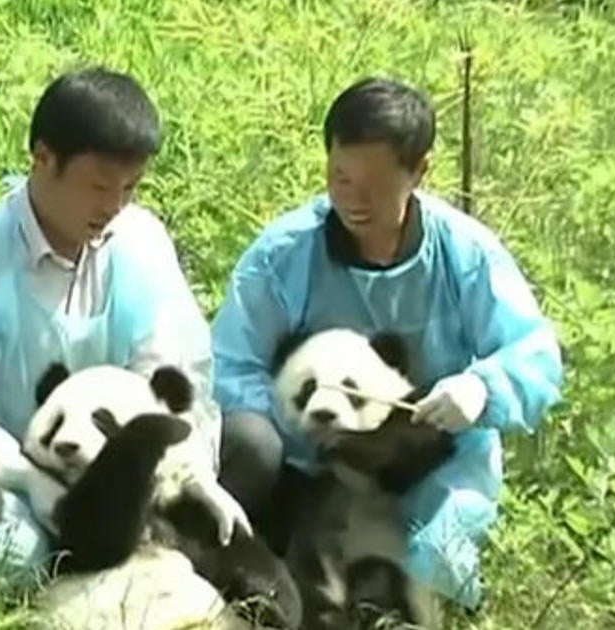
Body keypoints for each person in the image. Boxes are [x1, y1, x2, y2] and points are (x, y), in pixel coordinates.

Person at [211, 76, 564, 610]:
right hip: (312, 463)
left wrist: (482, 388)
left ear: (420, 170)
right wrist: (304, 420)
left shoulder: (464, 254)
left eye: (372, 184)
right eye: (340, 177)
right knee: (301, 568)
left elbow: (535, 353)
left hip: (429, 456)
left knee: (425, 574)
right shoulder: (284, 255)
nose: (352, 199)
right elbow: (230, 366)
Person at [0, 66, 250, 570]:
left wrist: (189, 472)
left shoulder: (139, 241)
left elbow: (173, 372)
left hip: (120, 470)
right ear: (43, 159)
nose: (113, 206)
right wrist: (34, 481)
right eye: (98, 187)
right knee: (12, 562)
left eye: (130, 188)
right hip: (12, 479)